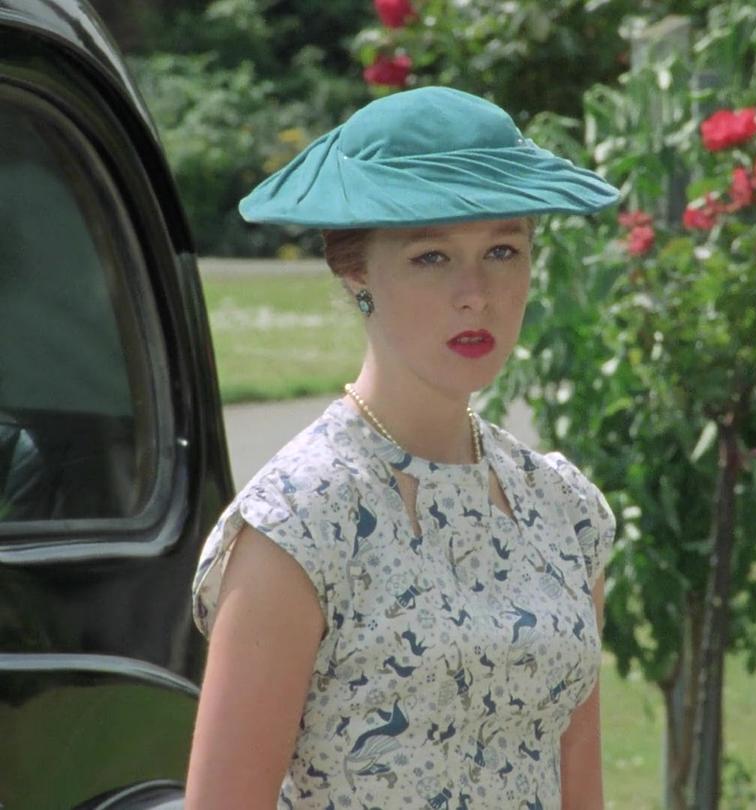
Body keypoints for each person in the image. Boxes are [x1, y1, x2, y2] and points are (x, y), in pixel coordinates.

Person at [186, 86, 621, 810]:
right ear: (355, 270)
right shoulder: (299, 526)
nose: (476, 293)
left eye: (503, 250)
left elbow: (580, 789)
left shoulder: (563, 511)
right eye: (431, 256)